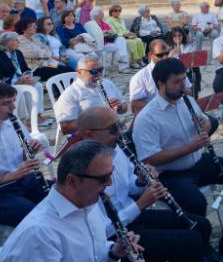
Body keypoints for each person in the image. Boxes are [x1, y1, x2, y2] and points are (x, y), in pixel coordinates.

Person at [133, 58, 223, 257]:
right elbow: (150, 158)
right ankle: (201, 248)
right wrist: (188, 148)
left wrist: (207, 126)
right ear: (160, 84)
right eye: (177, 82)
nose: (184, 87)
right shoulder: (147, 118)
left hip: (199, 163)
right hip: (171, 175)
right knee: (196, 202)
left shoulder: (187, 101)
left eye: (184, 80)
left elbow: (205, 124)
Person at [76, 106, 216, 262]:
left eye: (120, 125)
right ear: (89, 134)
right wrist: (140, 205)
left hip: (135, 216)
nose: (120, 133)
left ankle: (206, 255)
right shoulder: (81, 173)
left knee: (202, 225)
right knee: (191, 240)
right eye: (113, 129)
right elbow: (102, 230)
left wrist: (141, 180)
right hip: (118, 237)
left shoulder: (115, 149)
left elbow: (129, 185)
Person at [0, 139, 142, 262]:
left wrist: (113, 253)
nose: (110, 183)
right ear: (72, 181)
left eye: (111, 174)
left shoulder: (88, 205)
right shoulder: (40, 234)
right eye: (103, 178)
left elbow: (95, 254)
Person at [0, 82, 49, 227]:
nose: (13, 108)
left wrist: (31, 150)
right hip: (3, 191)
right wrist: (13, 175)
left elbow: (24, 156)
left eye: (13, 102)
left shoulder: (12, 122)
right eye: (5, 103)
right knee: (35, 219)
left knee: (62, 198)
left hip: (24, 181)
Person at [53, 54, 126, 135]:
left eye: (101, 70)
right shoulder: (70, 94)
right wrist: (95, 120)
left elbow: (125, 108)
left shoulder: (107, 84)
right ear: (79, 72)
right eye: (93, 71)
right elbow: (65, 128)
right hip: (90, 136)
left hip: (114, 130)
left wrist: (120, 107)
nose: (98, 74)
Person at [129, 39, 193, 116]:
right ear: (150, 55)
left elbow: (188, 91)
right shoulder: (139, 77)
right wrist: (163, 106)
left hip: (179, 111)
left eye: (167, 53)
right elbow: (134, 104)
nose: (165, 57)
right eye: (160, 55)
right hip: (155, 116)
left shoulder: (176, 68)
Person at [15, 17, 67, 82]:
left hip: (45, 64)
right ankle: (60, 91)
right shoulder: (19, 40)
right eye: (31, 26)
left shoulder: (35, 39)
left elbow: (49, 52)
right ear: (23, 29)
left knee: (68, 69)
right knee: (61, 73)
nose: (35, 27)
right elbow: (30, 54)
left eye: (35, 25)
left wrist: (41, 54)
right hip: (34, 68)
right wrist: (43, 54)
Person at [85, 7, 129, 72]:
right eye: (102, 14)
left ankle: (122, 61)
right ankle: (121, 64)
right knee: (117, 47)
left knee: (121, 39)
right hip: (98, 45)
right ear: (97, 16)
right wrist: (105, 32)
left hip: (107, 42)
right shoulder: (91, 24)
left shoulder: (103, 23)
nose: (103, 16)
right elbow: (94, 35)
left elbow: (111, 31)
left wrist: (109, 32)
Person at [106, 5, 145, 69]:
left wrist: (131, 33)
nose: (118, 12)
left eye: (119, 11)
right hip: (119, 38)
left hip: (126, 36)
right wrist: (125, 35)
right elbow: (114, 33)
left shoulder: (121, 19)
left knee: (138, 40)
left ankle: (140, 60)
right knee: (132, 43)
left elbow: (125, 29)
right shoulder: (109, 21)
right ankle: (133, 62)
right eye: (116, 11)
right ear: (111, 12)